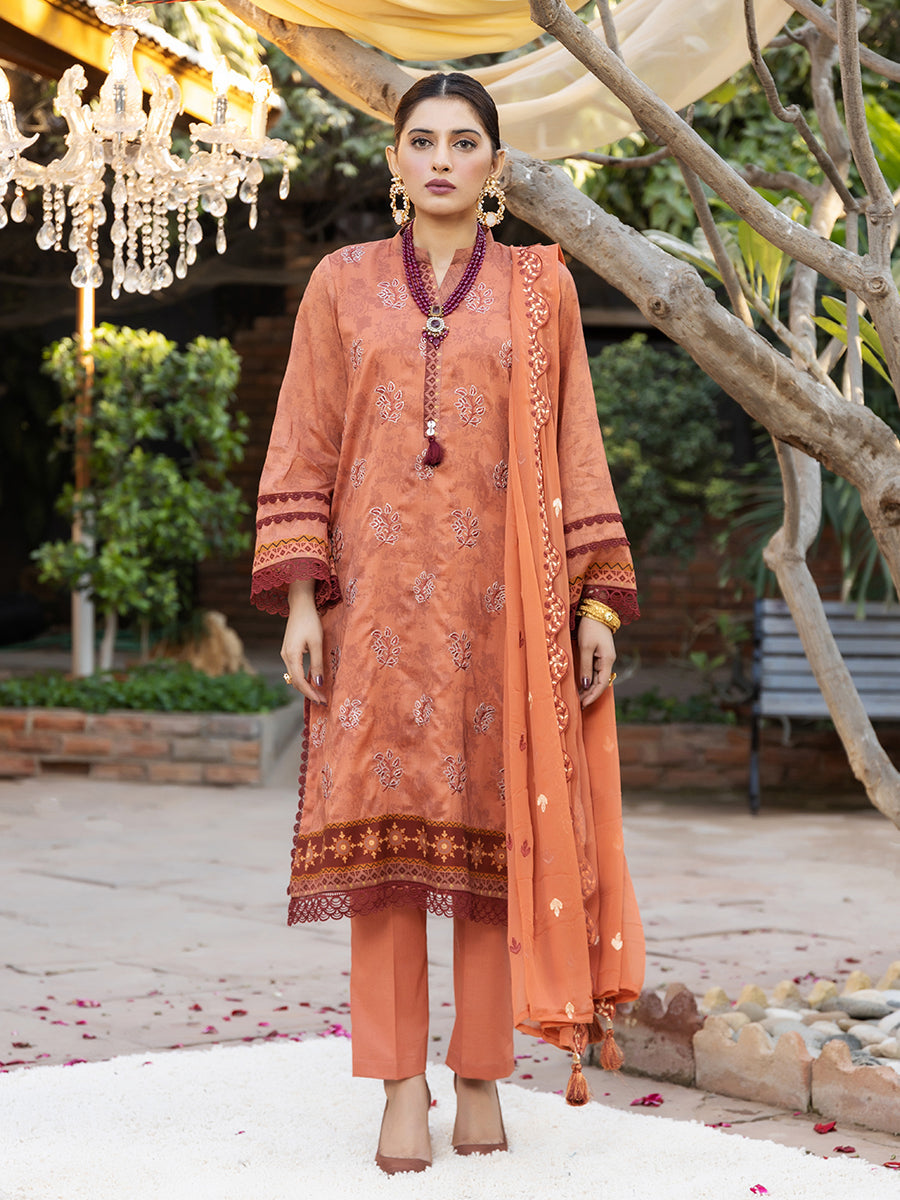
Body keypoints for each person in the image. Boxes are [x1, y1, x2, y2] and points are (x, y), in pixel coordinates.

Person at [251, 71, 644, 1175]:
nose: (439, 160)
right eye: (420, 141)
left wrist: (594, 602)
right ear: (393, 163)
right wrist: (300, 600)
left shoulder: (540, 289)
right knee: (383, 856)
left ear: (496, 168)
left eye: (463, 143)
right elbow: (303, 442)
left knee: (491, 844)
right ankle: (396, 1083)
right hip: (372, 610)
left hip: (501, 610)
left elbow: (575, 445)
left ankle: (478, 1071)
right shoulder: (339, 283)